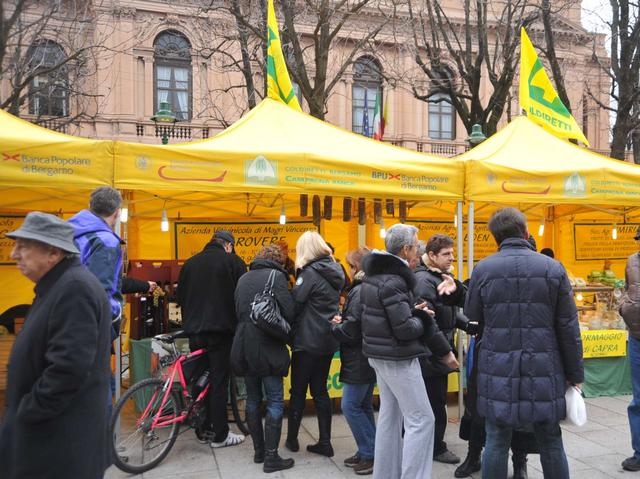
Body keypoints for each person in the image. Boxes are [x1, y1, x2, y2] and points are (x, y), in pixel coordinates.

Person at [464, 207, 583, 479]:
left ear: (495, 238)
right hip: (544, 366)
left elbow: (473, 319)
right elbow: (568, 327)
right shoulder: (553, 268)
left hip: (498, 367)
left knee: (496, 439)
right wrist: (575, 374)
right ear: (526, 232)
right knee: (550, 440)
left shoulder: (483, 270)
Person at [0, 212, 111, 478]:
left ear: (52, 252)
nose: (15, 254)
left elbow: (67, 369)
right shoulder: (59, 284)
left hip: (60, 446)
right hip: (53, 441)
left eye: (23, 246)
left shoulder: (74, 289)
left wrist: (25, 413)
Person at [359, 223, 459, 479]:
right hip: (398, 357)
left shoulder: (376, 276)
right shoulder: (395, 281)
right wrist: (421, 316)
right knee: (422, 420)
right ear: (405, 250)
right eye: (416, 246)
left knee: (390, 418)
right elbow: (404, 329)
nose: (419, 251)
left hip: (381, 355)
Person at [177, 229, 247, 448]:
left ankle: (203, 428)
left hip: (195, 332)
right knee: (218, 382)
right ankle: (220, 435)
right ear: (228, 245)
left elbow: (179, 298)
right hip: (221, 332)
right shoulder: (233, 262)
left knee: (200, 381)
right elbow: (241, 297)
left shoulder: (189, 264)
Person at [231, 244, 295, 473]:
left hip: (244, 344)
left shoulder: (243, 278)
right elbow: (289, 311)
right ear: (278, 260)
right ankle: (271, 456)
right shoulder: (276, 276)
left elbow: (237, 310)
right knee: (275, 399)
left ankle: (258, 451)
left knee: (252, 399)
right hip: (268, 345)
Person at [414, 234, 473, 465]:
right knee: (434, 403)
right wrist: (444, 352)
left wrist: (468, 325)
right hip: (429, 353)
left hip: (437, 348)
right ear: (431, 256)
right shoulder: (424, 281)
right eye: (446, 254)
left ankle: (430, 444)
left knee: (434, 401)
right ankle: (436, 447)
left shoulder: (440, 276)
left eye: (452, 253)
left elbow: (448, 311)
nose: (452, 258)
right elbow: (429, 322)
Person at [286, 231, 345, 457]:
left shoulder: (309, 273)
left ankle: (292, 439)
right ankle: (325, 442)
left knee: (298, 391)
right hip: (327, 339)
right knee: (320, 390)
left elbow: (295, 303)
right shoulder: (335, 269)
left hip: (307, 340)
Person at [331, 246, 376, 476]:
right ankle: (368, 449)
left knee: (350, 406)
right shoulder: (366, 287)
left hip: (358, 356)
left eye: (349, 265)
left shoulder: (359, 291)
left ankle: (370, 453)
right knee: (363, 405)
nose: (347, 270)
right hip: (365, 355)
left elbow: (353, 327)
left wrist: (337, 326)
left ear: (356, 267)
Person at [620, 226, 640, 471]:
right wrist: (624, 306)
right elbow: (628, 289)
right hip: (637, 338)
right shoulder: (631, 261)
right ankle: (639, 452)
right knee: (638, 401)